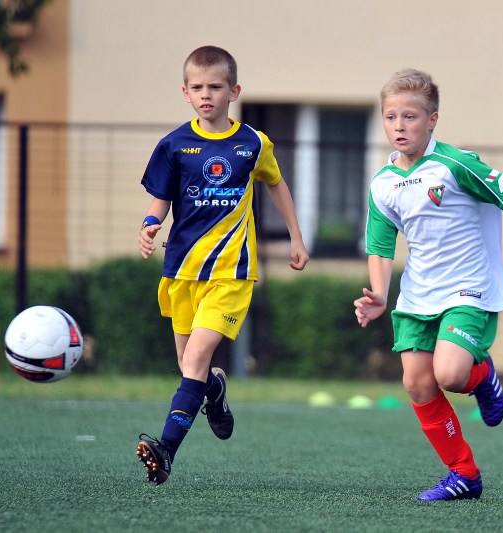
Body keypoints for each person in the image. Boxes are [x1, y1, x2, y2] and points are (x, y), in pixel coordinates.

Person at [353, 69, 503, 501]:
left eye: (410, 117)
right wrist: (380, 294)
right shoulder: (382, 183)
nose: (399, 126)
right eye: (390, 117)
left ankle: (483, 376)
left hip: (467, 288)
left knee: (451, 374)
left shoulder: (455, 165)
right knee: (417, 384)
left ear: (432, 120)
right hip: (418, 295)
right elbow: (381, 246)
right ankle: (464, 474)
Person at [135, 45, 309, 485]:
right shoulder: (174, 145)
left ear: (234, 91)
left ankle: (166, 449)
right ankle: (215, 389)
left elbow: (277, 184)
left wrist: (296, 236)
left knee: (196, 356)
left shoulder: (253, 143)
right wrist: (150, 225)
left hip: (232, 273)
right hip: (181, 269)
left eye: (215, 86)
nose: (206, 94)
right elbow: (160, 199)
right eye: (197, 87)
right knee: (190, 368)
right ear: (185, 93)